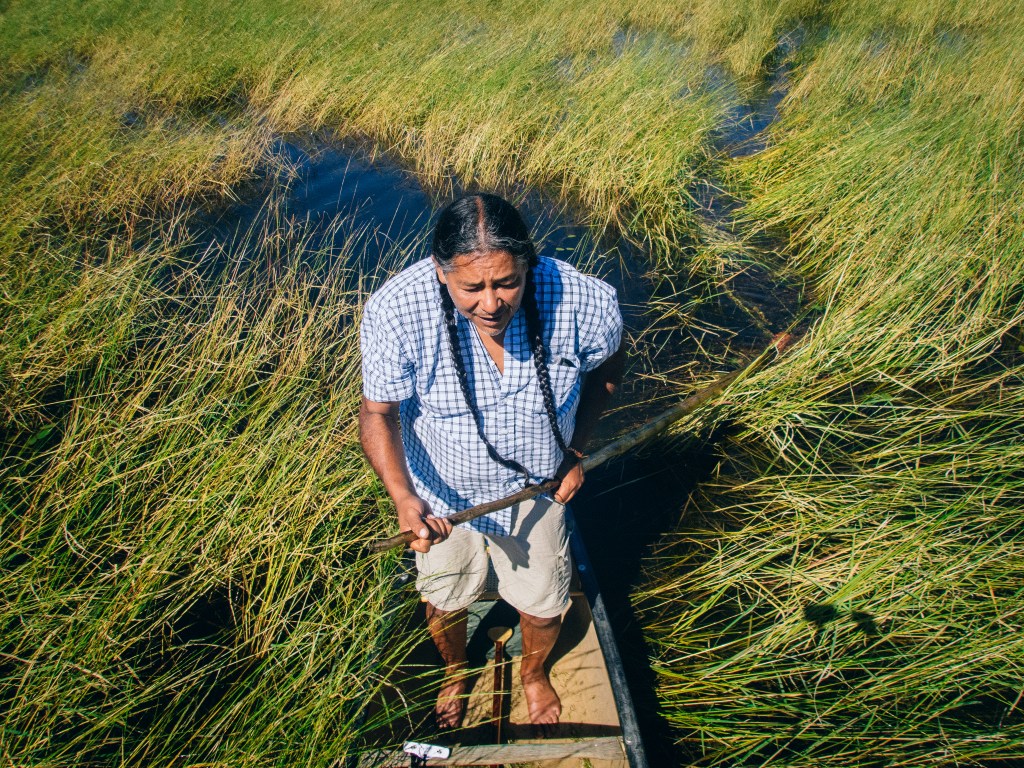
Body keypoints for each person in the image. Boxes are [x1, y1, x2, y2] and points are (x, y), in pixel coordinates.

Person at [359, 192, 623, 730]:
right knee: (445, 596)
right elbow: (377, 413)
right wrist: (405, 498)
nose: (491, 303)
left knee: (546, 603)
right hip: (440, 496)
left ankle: (532, 673)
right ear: (440, 272)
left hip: (538, 487)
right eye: (470, 287)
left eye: (507, 282)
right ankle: (456, 671)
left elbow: (612, 359)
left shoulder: (582, 298)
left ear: (528, 263)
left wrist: (576, 452)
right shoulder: (395, 309)